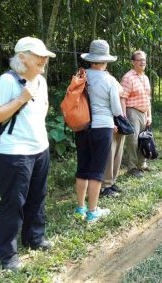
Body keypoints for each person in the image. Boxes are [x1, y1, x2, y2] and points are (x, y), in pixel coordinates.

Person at [0, 36, 56, 271]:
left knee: (38, 197)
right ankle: (7, 255)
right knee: (13, 203)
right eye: (39, 57)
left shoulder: (41, 81)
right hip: (14, 153)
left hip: (40, 149)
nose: (44, 60)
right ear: (22, 57)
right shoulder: (7, 81)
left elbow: (42, 111)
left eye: (45, 57)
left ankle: (34, 238)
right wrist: (20, 99)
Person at [73, 40, 123, 222]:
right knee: (96, 170)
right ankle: (93, 211)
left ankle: (80, 207)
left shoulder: (81, 76)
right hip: (102, 128)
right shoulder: (109, 80)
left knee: (83, 167)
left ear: (91, 58)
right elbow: (117, 110)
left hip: (82, 126)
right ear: (105, 60)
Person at [120, 50, 152, 178]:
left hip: (144, 112)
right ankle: (132, 167)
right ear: (133, 62)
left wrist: (149, 115)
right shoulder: (128, 77)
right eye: (139, 60)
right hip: (132, 112)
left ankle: (142, 164)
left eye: (144, 60)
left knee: (144, 139)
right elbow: (122, 98)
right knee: (133, 141)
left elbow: (148, 98)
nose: (142, 62)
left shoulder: (145, 77)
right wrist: (124, 117)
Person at [101, 81, 125, 197]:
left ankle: (111, 183)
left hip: (115, 120)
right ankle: (105, 186)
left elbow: (121, 92)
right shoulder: (92, 78)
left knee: (116, 153)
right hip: (106, 122)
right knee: (109, 154)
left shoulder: (108, 78)